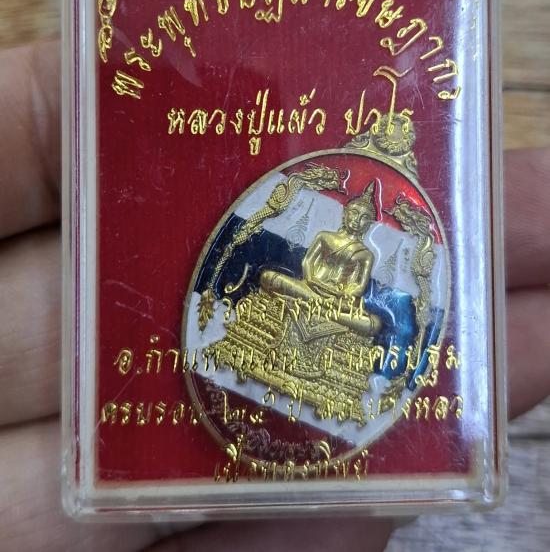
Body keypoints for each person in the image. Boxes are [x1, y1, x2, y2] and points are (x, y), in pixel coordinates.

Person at [0, 41, 549, 551]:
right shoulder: (329, 237)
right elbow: (307, 269)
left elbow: (355, 289)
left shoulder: (361, 251)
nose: (354, 223)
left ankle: (318, 379)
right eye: (352, 217)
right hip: (302, 294)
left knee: (362, 324)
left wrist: (335, 301)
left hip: (336, 312)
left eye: (361, 221)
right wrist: (313, 290)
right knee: (273, 282)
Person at [260, 181, 382, 336]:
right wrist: (311, 280)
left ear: (369, 224)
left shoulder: (366, 255)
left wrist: (344, 294)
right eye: (354, 212)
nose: (357, 220)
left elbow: (359, 286)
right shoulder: (324, 236)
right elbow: (307, 262)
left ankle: (317, 308)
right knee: (269, 277)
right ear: (345, 213)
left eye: (364, 217)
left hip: (337, 300)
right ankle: (325, 311)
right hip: (309, 288)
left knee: (375, 323)